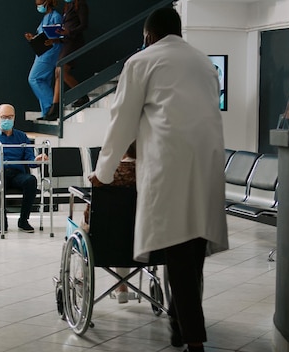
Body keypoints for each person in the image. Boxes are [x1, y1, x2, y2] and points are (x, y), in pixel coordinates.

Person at [88, 7, 228, 352]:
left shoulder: (142, 61)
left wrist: (102, 173)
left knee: (178, 253)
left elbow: (122, 121)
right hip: (209, 167)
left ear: (148, 35)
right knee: (191, 254)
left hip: (170, 167)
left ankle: (193, 337)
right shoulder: (204, 64)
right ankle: (180, 328)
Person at [0, 104, 48, 233]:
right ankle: (2, 220)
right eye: (3, 117)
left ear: (14, 117)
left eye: (10, 117)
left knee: (31, 180)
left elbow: (30, 160)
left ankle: (23, 220)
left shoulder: (22, 137)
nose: (7, 120)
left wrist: (37, 160)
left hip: (17, 174)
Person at [81, 142, 136, 304]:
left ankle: (80, 277)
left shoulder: (104, 175)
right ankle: (122, 287)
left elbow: (89, 215)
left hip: (106, 240)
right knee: (127, 227)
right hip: (146, 241)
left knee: (85, 227)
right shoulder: (155, 173)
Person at [40, 0, 89, 121]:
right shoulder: (68, 6)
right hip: (66, 41)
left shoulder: (81, 4)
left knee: (61, 71)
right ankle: (55, 108)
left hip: (74, 42)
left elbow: (84, 25)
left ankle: (82, 96)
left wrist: (69, 32)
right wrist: (55, 39)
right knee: (59, 72)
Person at [25, 0, 63, 117]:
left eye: (40, 1)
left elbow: (59, 35)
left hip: (50, 51)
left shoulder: (55, 16)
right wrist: (34, 38)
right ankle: (46, 112)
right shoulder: (45, 17)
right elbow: (43, 34)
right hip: (42, 51)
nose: (38, 4)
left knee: (34, 78)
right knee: (44, 80)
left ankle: (52, 106)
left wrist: (52, 39)